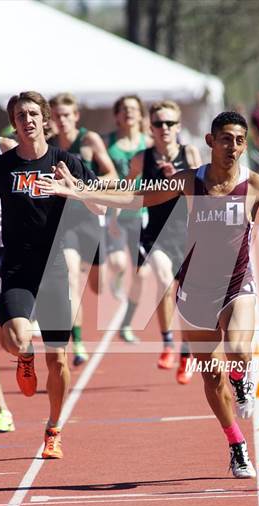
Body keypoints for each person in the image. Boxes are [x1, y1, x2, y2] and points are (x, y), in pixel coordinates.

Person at [37, 111, 259, 478]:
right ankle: (236, 445)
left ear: (246, 145)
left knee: (240, 350)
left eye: (240, 140)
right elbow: (135, 196)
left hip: (236, 285)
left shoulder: (257, 186)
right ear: (211, 142)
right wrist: (81, 190)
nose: (233, 146)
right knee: (211, 377)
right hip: (195, 290)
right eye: (226, 138)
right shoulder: (190, 182)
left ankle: (241, 375)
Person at [0, 91, 100, 457]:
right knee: (16, 337)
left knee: (59, 360)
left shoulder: (65, 161)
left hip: (53, 268)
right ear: (14, 122)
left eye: (34, 113)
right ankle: (25, 356)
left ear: (45, 119)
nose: (28, 120)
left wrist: (74, 189)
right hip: (18, 266)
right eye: (21, 115)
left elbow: (99, 204)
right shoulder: (2, 167)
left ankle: (53, 428)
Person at [127, 100, 201, 384]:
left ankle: (185, 353)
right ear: (151, 127)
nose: (164, 128)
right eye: (159, 123)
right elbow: (129, 189)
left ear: (178, 127)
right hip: (156, 235)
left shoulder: (189, 153)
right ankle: (168, 343)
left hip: (187, 233)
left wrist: (179, 179)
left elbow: (201, 190)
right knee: (163, 280)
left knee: (187, 298)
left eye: (170, 123)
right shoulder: (141, 159)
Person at [49, 93, 116, 365]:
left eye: (66, 115)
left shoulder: (89, 140)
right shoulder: (49, 145)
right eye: (56, 115)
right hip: (65, 223)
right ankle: (77, 343)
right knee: (71, 279)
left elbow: (112, 176)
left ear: (76, 116)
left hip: (91, 218)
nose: (62, 120)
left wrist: (81, 186)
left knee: (98, 285)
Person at [104, 95, 152, 342]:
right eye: (124, 109)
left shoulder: (149, 143)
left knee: (142, 274)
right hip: (114, 211)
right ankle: (117, 279)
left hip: (141, 213)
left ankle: (126, 323)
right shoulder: (108, 142)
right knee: (118, 263)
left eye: (134, 109)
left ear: (140, 114)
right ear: (117, 116)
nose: (129, 113)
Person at [0, 135, 17, 433]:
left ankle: (24, 352)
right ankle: (2, 410)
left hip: (2, 249)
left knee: (10, 340)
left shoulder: (1, 147)